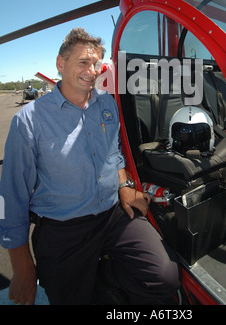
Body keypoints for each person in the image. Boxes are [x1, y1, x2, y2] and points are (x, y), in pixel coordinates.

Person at [0, 28, 180, 305]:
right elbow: (11, 194)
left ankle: (99, 279)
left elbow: (114, 151)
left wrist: (124, 185)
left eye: (96, 64)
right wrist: (21, 264)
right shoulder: (29, 120)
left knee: (163, 276)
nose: (92, 71)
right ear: (61, 64)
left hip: (112, 216)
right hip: (63, 228)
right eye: (83, 62)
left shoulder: (107, 103)